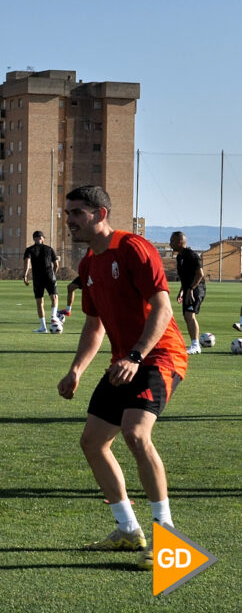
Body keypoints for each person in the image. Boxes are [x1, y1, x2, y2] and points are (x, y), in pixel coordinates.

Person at [57, 185, 187, 571]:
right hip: (123, 361)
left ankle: (168, 537)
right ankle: (128, 529)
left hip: (159, 355)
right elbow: (94, 325)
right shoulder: (88, 266)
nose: (69, 221)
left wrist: (135, 355)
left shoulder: (132, 247)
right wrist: (76, 369)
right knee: (93, 442)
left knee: (135, 434)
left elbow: (162, 306)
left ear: (100, 213)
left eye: (77, 213)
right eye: (67, 213)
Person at [170, 231, 205, 354]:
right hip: (188, 289)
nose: (170, 243)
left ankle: (196, 346)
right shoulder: (180, 257)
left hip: (196, 289)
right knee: (186, 316)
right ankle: (194, 344)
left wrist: (191, 289)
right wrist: (182, 291)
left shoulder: (191, 255)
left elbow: (200, 274)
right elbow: (185, 277)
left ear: (179, 242)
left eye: (172, 241)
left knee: (190, 315)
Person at [23, 230, 60, 332]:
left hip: (37, 277)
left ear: (34, 238)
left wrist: (25, 275)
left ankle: (43, 327)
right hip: (49, 275)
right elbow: (56, 264)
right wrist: (53, 274)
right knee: (54, 297)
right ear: (42, 238)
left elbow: (27, 263)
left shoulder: (29, 250)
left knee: (40, 302)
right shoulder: (49, 249)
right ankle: (53, 316)